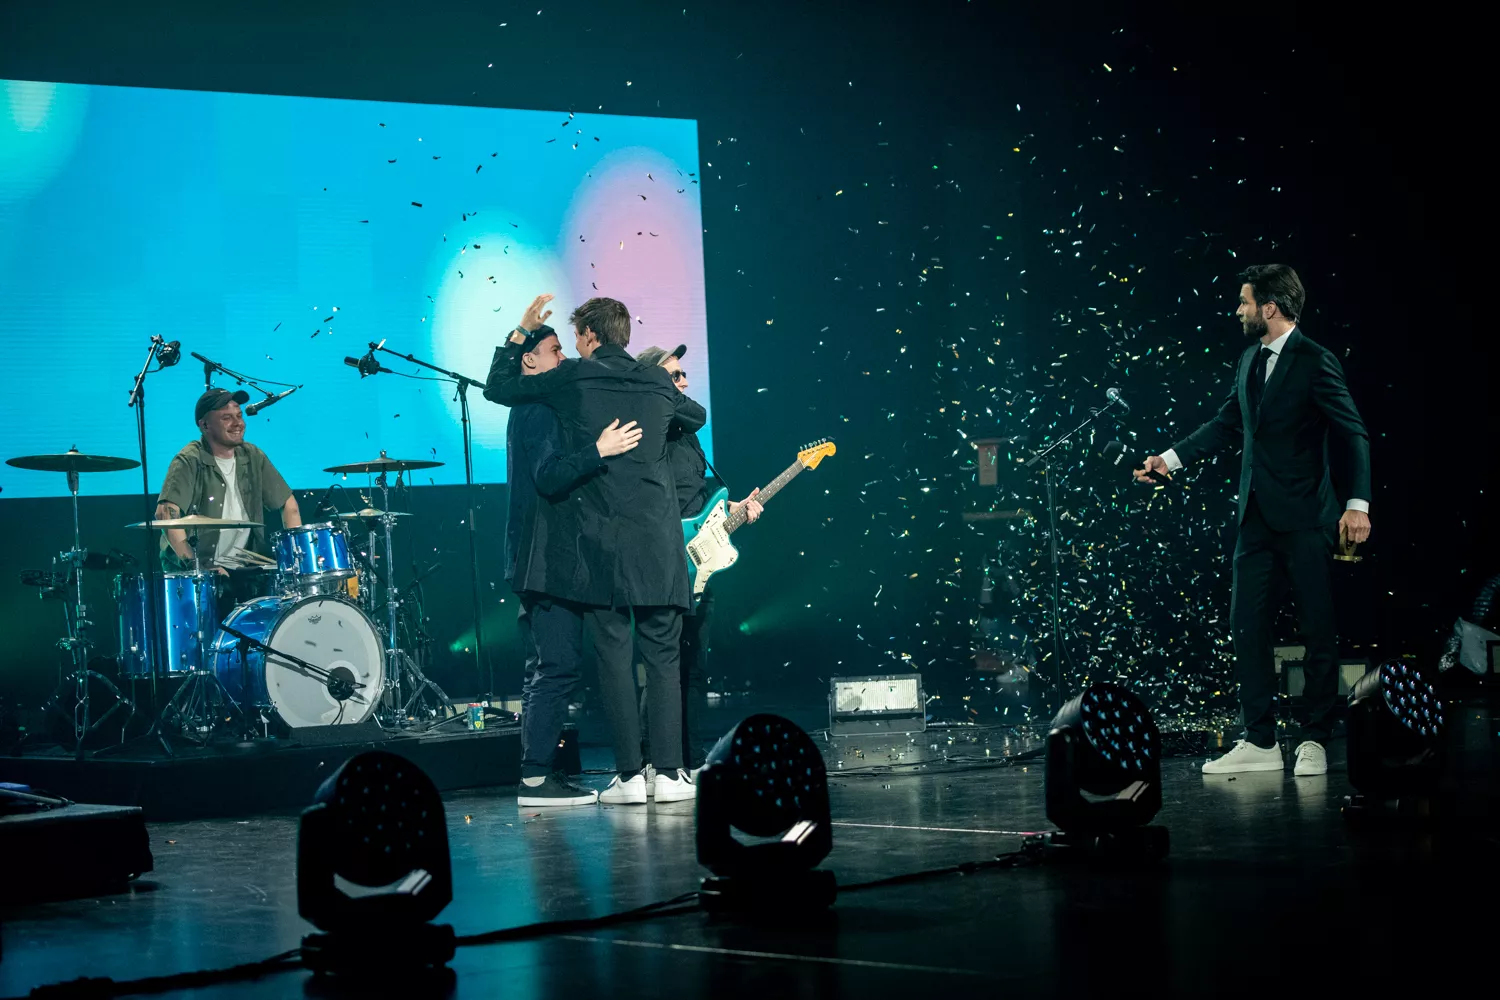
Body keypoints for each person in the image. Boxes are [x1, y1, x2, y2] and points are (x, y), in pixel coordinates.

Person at [1134, 265, 1371, 776]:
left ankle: (1315, 738)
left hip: (1307, 517)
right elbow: (1227, 424)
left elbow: (1353, 433)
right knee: (1246, 626)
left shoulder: (1315, 360)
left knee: (1317, 628)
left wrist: (1358, 504)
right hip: (1255, 520)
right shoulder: (1248, 360)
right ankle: (1261, 740)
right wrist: (1168, 460)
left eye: (1244, 302)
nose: (1238, 310)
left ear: (1269, 307)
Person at [485, 294, 706, 805]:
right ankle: (670, 774)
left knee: (613, 657)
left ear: (588, 335)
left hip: (603, 547)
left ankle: (628, 777)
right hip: (659, 544)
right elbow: (694, 415)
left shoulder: (573, 378)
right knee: (665, 658)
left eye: (574, 338)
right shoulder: (657, 381)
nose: (571, 348)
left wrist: (519, 332)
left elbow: (499, 388)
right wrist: (656, 395)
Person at [505, 325, 643, 807]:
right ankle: (536, 780)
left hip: (537, 560)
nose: (563, 356)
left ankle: (535, 775)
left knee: (546, 666)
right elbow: (548, 476)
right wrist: (598, 451)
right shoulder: (539, 409)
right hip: (546, 563)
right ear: (530, 361)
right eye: (554, 350)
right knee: (557, 667)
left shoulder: (530, 405)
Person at [634, 344, 762, 779]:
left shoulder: (687, 433)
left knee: (693, 669)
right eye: (674, 375)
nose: (684, 381)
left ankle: (689, 759)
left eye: (684, 374)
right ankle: (652, 759)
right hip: (666, 563)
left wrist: (733, 510)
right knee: (664, 668)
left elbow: (700, 497)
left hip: (700, 564)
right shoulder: (652, 430)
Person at [156, 389, 301, 601]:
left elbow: (290, 506)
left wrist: (297, 559)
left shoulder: (252, 455)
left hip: (244, 571)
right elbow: (166, 515)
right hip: (194, 578)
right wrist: (196, 566)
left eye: (239, 416)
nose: (238, 423)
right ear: (205, 425)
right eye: (226, 418)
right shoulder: (189, 459)